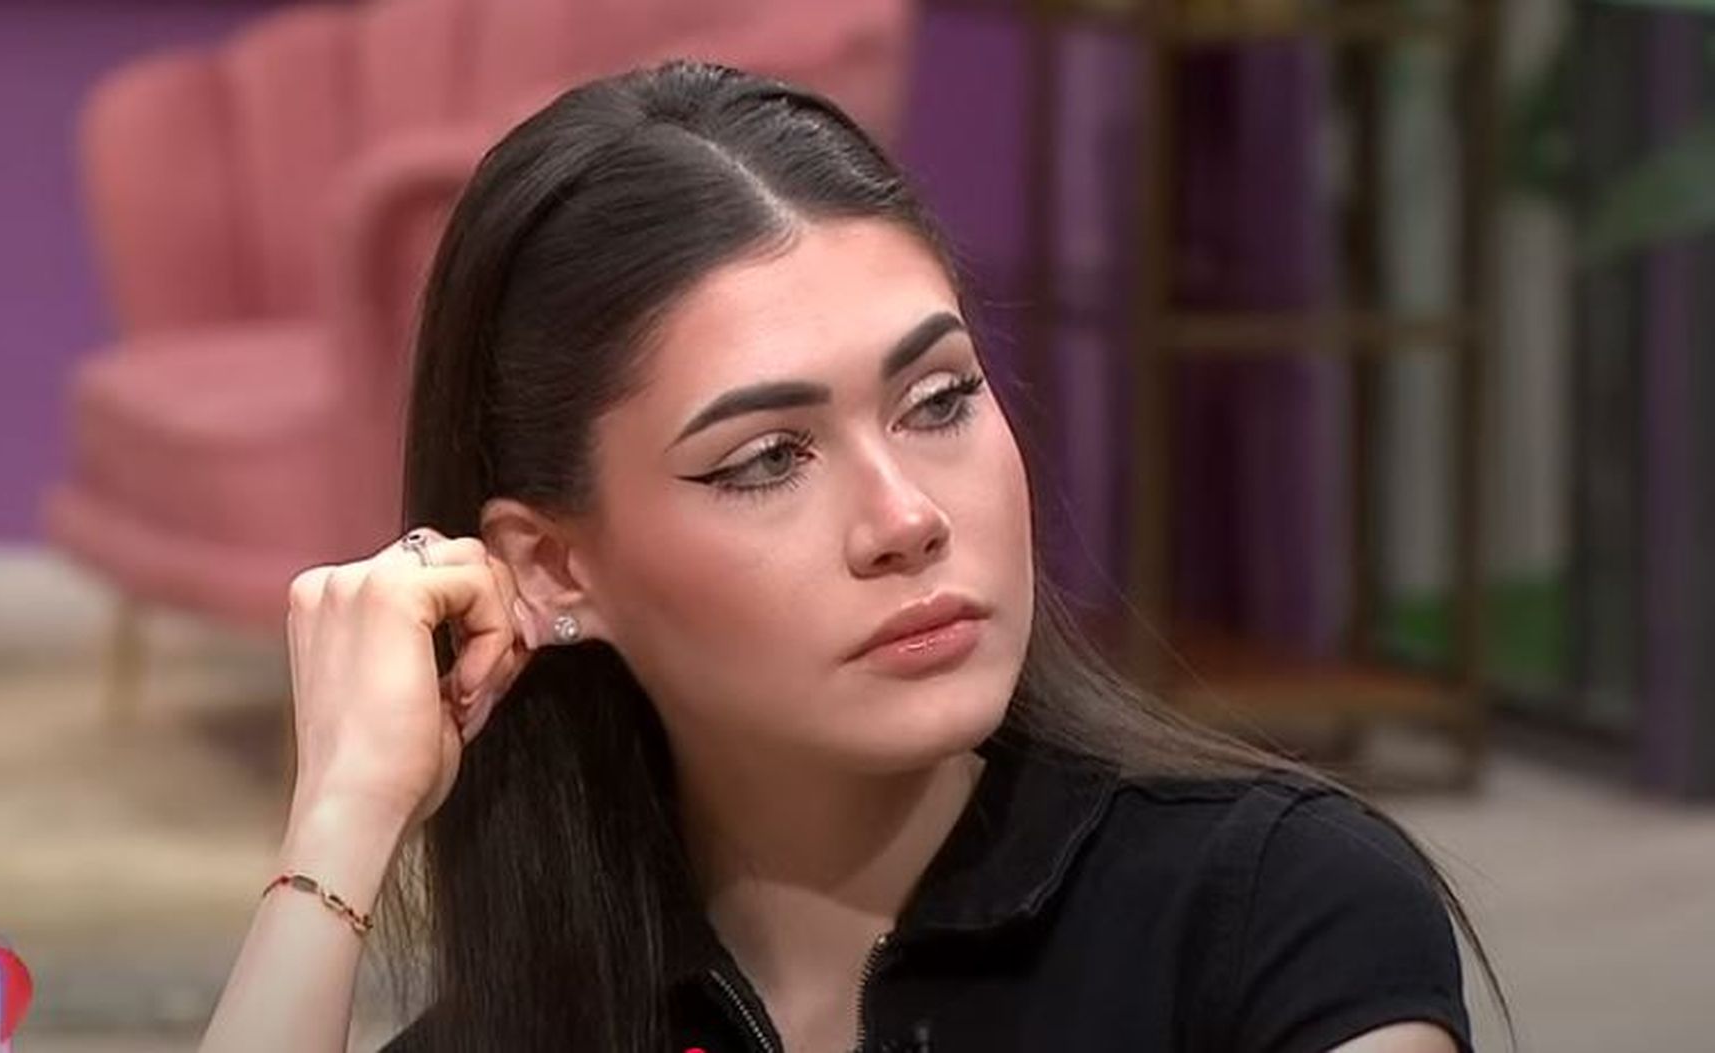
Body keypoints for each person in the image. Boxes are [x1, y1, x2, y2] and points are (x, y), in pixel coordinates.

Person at [196, 59, 1511, 1053]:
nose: (907, 517)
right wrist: (342, 818)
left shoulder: (1276, 916)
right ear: (552, 569)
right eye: (767, 458)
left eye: (939, 398)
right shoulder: (527, 1027)